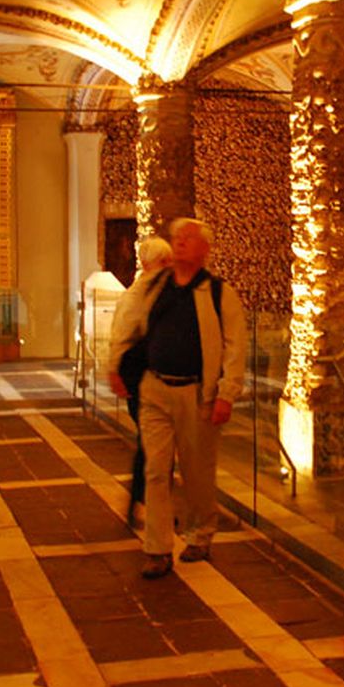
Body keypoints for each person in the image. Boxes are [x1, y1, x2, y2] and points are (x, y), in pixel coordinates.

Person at [109, 218, 246, 579]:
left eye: (189, 238)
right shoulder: (154, 286)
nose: (180, 243)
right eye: (177, 238)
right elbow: (129, 323)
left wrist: (226, 394)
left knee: (197, 472)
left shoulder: (219, 293)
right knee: (156, 469)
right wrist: (115, 363)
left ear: (204, 249)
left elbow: (235, 347)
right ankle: (157, 548)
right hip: (154, 389)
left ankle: (201, 532)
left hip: (196, 393)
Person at [112, 237, 172, 527]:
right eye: (165, 263)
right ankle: (143, 504)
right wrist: (115, 372)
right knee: (152, 446)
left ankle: (145, 503)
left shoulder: (157, 294)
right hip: (140, 380)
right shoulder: (138, 296)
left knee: (153, 445)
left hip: (147, 379)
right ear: (152, 265)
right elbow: (121, 338)